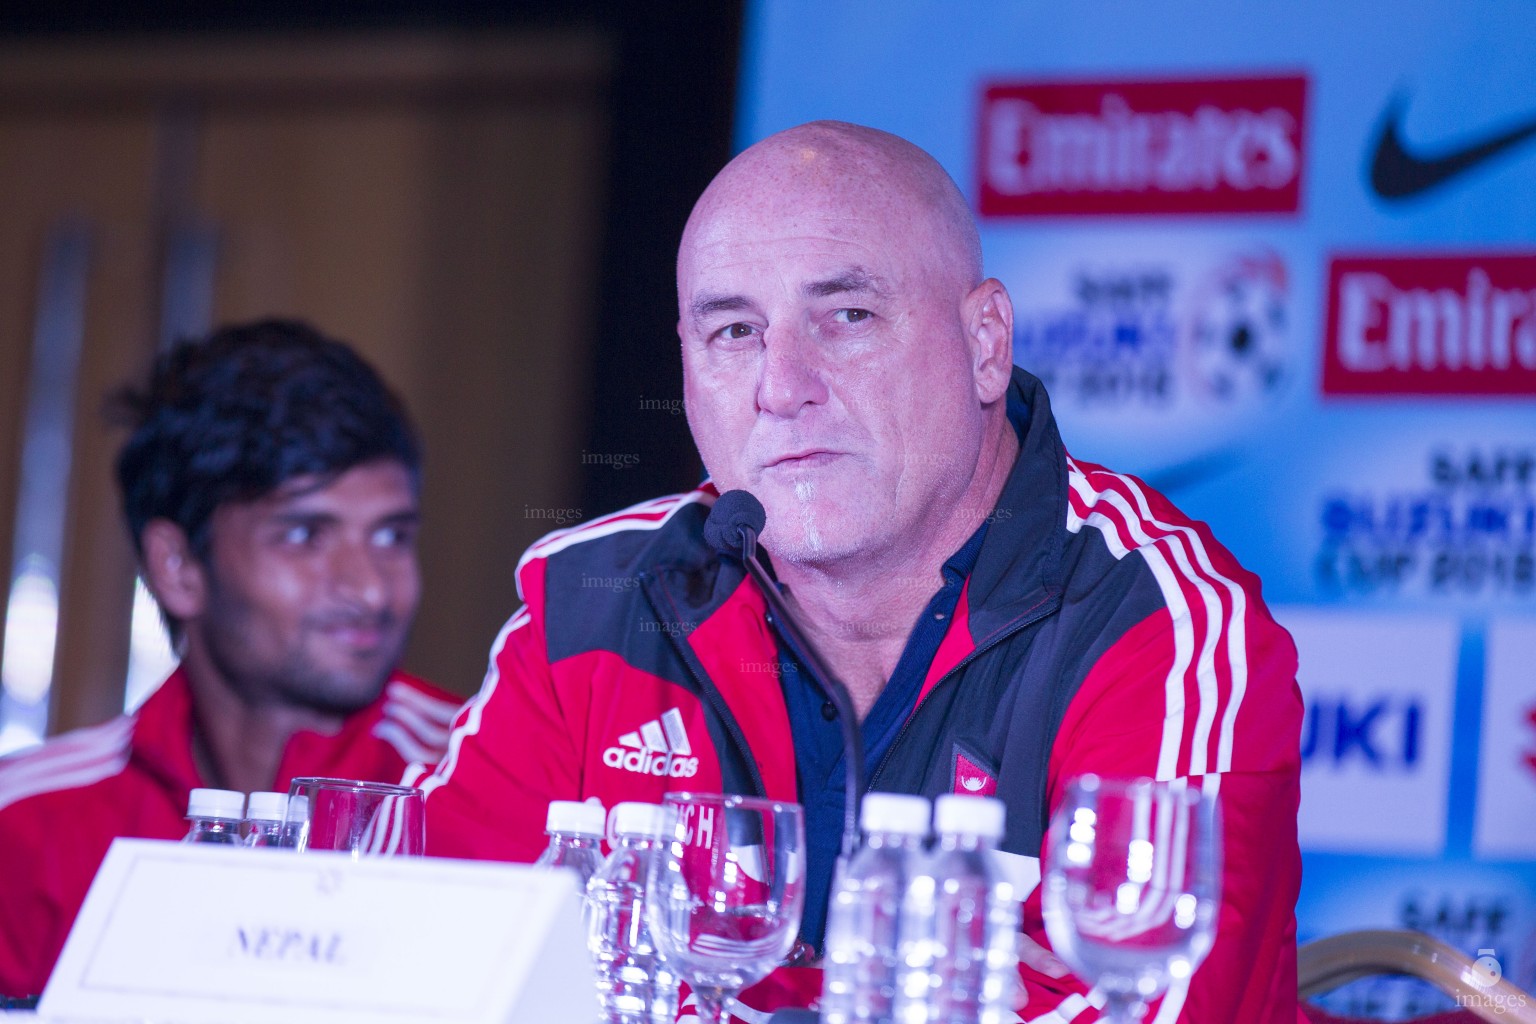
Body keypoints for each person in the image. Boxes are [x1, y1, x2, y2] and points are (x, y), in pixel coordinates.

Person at [419, 122, 1303, 1022]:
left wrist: (663, 986)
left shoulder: (1160, 622)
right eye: (733, 330)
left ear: (987, 344)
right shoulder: (593, 596)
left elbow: (1143, 1009)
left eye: (847, 316)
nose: (782, 384)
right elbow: (415, 967)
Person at [0, 319, 462, 998]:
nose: (370, 588)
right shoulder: (28, 821)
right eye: (306, 534)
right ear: (178, 565)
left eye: (392, 536)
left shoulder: (479, 780)